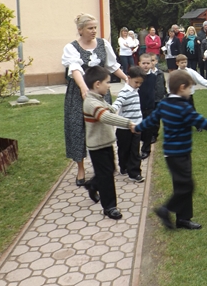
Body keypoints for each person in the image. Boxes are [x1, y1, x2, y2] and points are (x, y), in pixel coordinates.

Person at [135, 70, 207, 230]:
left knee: (181, 185)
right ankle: (165, 210)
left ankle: (183, 219)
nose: (191, 91)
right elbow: (203, 123)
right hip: (180, 154)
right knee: (187, 186)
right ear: (182, 87)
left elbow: (150, 120)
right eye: (190, 88)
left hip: (171, 154)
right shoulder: (184, 107)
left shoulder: (164, 104)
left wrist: (137, 128)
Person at [62, 13, 127, 187]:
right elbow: (75, 69)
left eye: (95, 27)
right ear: (80, 30)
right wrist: (84, 90)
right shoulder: (71, 48)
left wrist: (126, 78)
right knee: (77, 128)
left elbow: (112, 66)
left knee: (102, 126)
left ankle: (103, 164)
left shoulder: (103, 44)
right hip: (78, 93)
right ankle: (80, 168)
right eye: (90, 28)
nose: (94, 31)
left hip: (100, 92)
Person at [82, 66, 137, 220]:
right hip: (97, 146)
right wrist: (128, 123)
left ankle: (93, 185)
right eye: (107, 82)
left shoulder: (98, 98)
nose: (109, 85)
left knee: (109, 171)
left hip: (106, 143)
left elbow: (110, 110)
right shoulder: (91, 102)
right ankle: (110, 207)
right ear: (97, 84)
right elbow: (105, 117)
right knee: (106, 177)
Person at [111, 66, 147, 183]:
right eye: (136, 82)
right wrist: (110, 110)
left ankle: (135, 173)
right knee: (124, 149)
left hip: (136, 127)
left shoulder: (136, 90)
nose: (138, 85)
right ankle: (123, 166)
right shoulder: (124, 92)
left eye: (140, 83)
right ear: (129, 78)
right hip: (124, 128)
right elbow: (117, 103)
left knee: (135, 151)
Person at [137, 54, 157, 159]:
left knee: (148, 129)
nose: (145, 65)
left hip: (150, 107)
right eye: (143, 63)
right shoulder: (137, 77)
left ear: (151, 64)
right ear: (139, 64)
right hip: (138, 106)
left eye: (148, 63)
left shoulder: (153, 77)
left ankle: (146, 149)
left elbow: (156, 90)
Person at [150, 52, 167, 143]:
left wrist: (165, 94)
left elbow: (163, 84)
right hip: (150, 99)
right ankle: (152, 134)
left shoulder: (160, 73)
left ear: (156, 61)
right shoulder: (146, 74)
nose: (151, 63)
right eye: (149, 61)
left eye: (153, 60)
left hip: (160, 98)